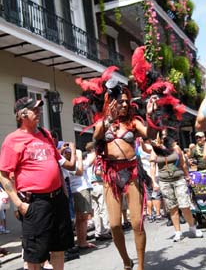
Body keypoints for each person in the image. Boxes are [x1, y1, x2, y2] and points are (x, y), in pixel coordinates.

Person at [0, 96, 76, 270]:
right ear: (22, 114)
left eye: (39, 108)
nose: (38, 112)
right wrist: (19, 204)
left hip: (57, 198)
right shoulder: (13, 140)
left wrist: (63, 191)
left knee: (58, 248)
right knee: (35, 254)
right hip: (35, 202)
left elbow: (56, 163)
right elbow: (3, 175)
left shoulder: (45, 134)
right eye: (34, 109)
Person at [93, 84, 158, 270]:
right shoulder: (103, 122)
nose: (124, 104)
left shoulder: (133, 123)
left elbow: (150, 134)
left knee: (137, 222)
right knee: (114, 225)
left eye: (126, 101)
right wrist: (108, 119)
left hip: (131, 173)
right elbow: (96, 136)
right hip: (110, 175)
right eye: (120, 101)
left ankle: (141, 266)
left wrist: (151, 116)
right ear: (110, 102)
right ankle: (126, 262)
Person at [150, 132, 203, 242]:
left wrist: (187, 177)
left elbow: (183, 163)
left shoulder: (175, 148)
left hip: (179, 179)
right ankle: (178, 232)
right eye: (160, 136)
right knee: (172, 207)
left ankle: (192, 227)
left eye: (164, 136)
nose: (162, 138)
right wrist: (154, 182)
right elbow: (152, 166)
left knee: (184, 205)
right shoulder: (155, 150)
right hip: (164, 181)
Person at [85, 142, 111, 241]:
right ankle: (105, 231)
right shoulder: (97, 158)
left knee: (95, 211)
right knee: (104, 209)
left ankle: (98, 232)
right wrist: (106, 176)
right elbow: (98, 171)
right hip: (99, 184)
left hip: (90, 186)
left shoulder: (86, 158)